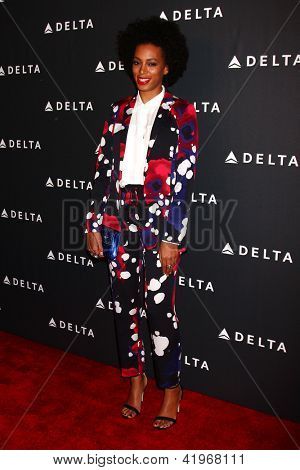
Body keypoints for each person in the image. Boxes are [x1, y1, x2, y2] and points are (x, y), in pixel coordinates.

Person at [85, 16, 199, 430]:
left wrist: (172, 235)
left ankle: (171, 388)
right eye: (137, 63)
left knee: (160, 310)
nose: (143, 72)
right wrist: (94, 223)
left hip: (158, 220)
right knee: (124, 308)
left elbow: (183, 177)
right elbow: (101, 171)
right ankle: (136, 383)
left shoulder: (182, 112)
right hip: (118, 219)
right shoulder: (117, 111)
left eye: (152, 64)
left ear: (167, 67)